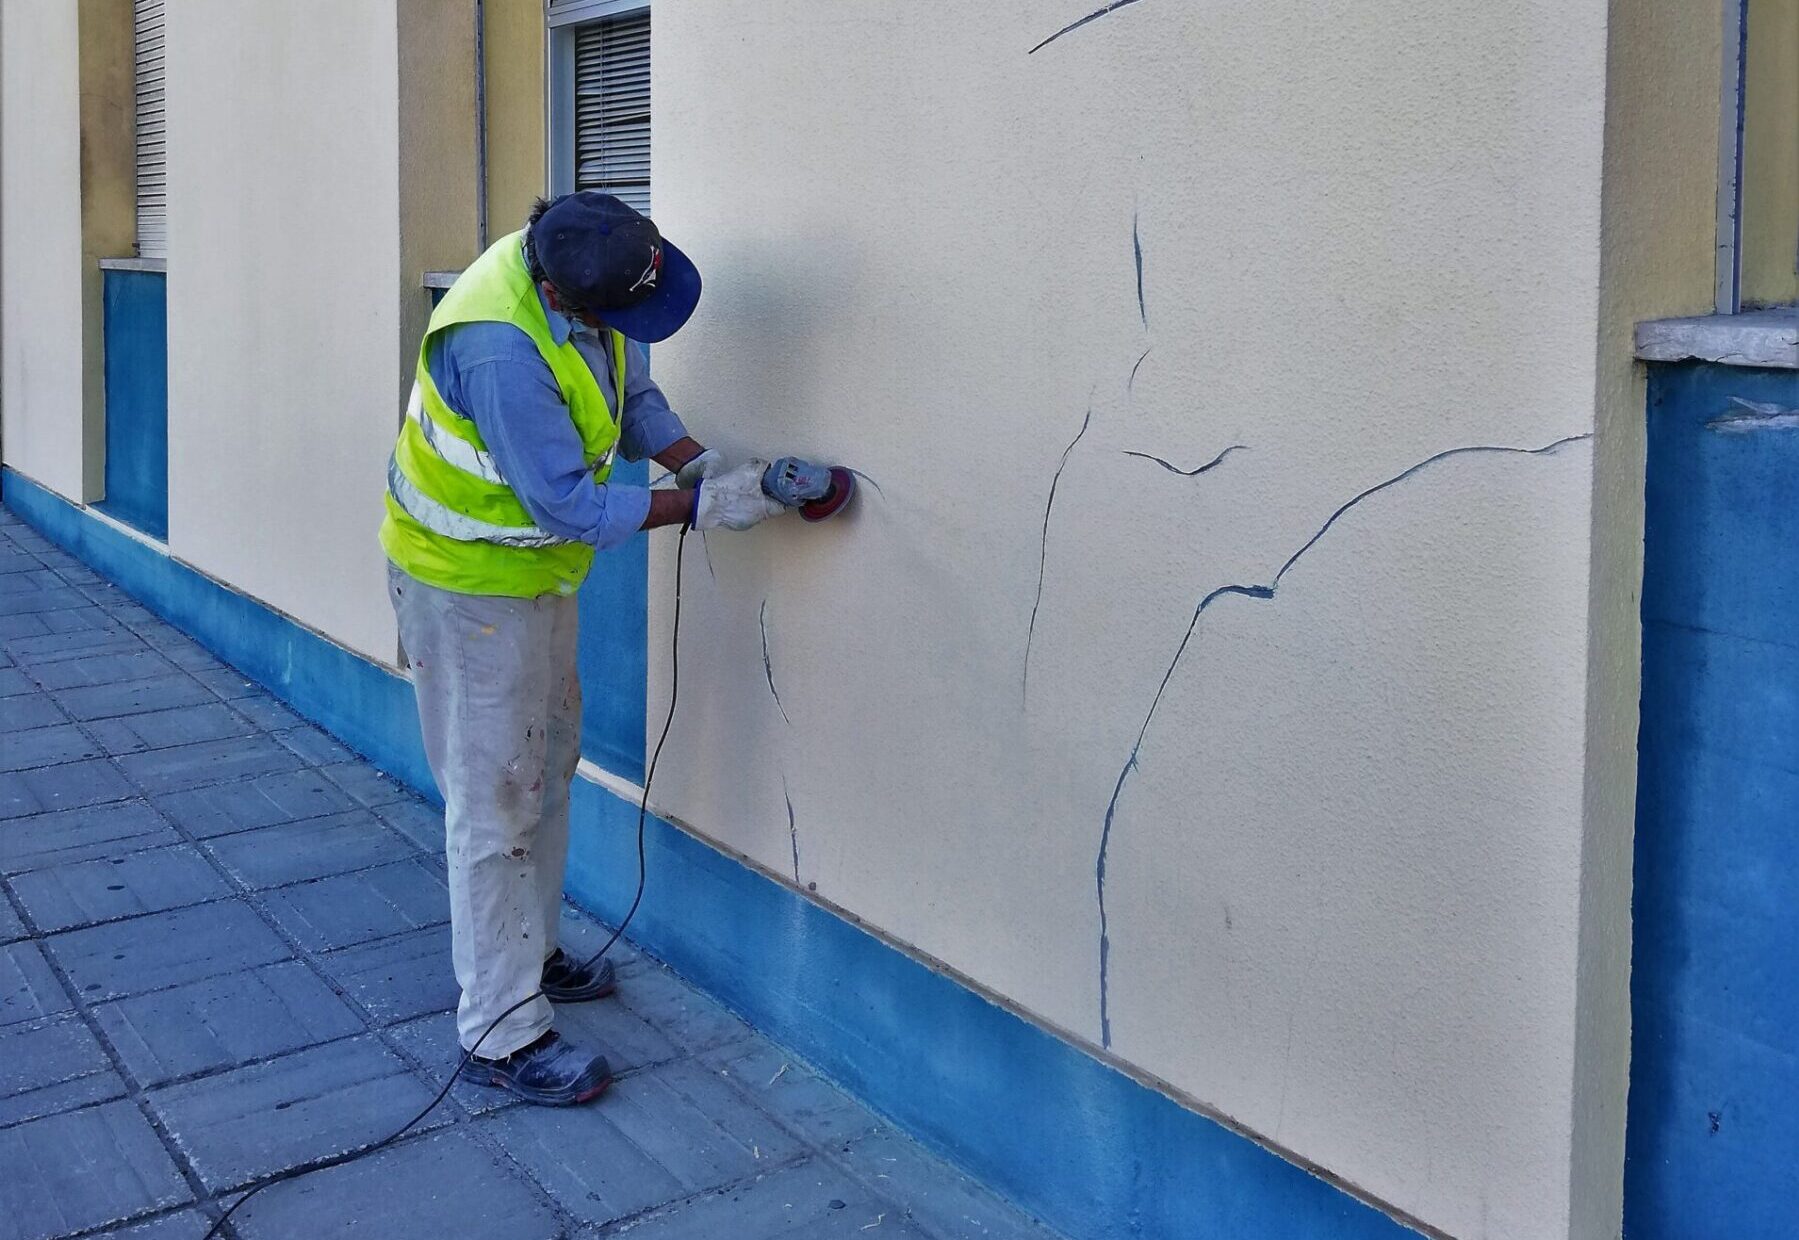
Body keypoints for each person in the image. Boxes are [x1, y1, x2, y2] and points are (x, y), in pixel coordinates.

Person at [379, 191, 790, 1105]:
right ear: (567, 297)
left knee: (546, 769)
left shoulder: (583, 270)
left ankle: (529, 955)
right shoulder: (498, 347)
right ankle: (499, 1031)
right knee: (494, 805)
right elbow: (567, 505)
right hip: (466, 590)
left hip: (532, 584)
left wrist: (693, 463)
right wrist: (705, 505)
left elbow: (631, 393)